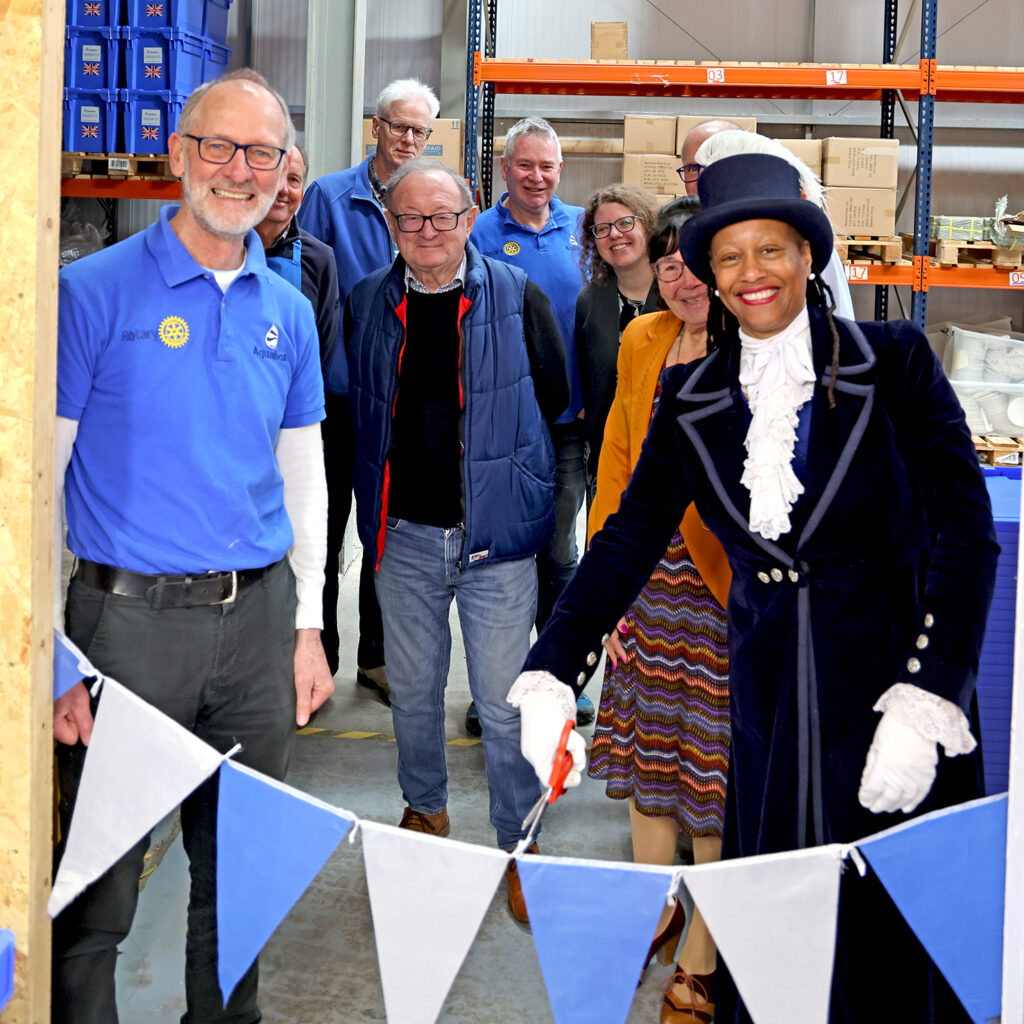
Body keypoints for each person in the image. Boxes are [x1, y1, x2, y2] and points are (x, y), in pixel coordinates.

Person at [510, 153, 998, 1024]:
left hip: (890, 689)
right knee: (776, 930)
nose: (751, 274)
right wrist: (553, 671)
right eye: (729, 257)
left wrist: (928, 699)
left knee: (886, 936)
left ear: (808, 257)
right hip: (770, 698)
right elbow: (627, 537)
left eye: (770, 250)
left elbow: (965, 534)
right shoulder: (691, 393)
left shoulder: (895, 362)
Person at [51, 69, 334, 1024]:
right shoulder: (89, 294)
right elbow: (32, 487)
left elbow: (305, 482)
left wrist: (308, 629)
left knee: (240, 877)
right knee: (99, 889)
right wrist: (47, 654)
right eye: (219, 146)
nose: (239, 169)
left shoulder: (287, 311)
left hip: (256, 627)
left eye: (262, 153)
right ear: (178, 156)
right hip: (124, 630)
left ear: (286, 172)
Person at [345, 157, 569, 924]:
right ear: (390, 226)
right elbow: (358, 415)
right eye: (409, 219)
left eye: (441, 216)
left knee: (505, 708)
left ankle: (519, 840)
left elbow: (558, 403)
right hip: (403, 537)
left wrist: (530, 503)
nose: (426, 231)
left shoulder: (518, 296)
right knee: (411, 695)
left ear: (470, 217)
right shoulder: (367, 302)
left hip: (496, 546)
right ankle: (426, 811)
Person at [587, 197, 732, 1023]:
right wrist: (607, 587)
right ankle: (655, 904)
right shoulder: (642, 339)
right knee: (648, 762)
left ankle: (705, 944)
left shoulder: (754, 350)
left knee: (709, 775)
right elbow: (614, 455)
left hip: (719, 591)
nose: (678, 275)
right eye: (666, 260)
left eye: (693, 260)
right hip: (645, 580)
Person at [298, 77, 440, 703]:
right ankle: (317, 654)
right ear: (375, 127)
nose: (408, 139)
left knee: (389, 532)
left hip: (402, 400)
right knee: (324, 532)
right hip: (335, 397)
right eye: (399, 126)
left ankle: (378, 659)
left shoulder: (430, 199)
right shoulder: (328, 197)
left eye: (420, 130)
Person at [470, 114, 595, 728]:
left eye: (547, 166)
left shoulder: (584, 231)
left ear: (560, 170)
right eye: (525, 165)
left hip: (570, 420)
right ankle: (498, 684)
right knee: (500, 555)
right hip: (502, 423)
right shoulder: (480, 233)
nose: (536, 177)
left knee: (561, 550)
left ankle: (558, 676)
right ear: (505, 168)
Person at [680, 122, 855, 319]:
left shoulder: (802, 239)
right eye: (692, 169)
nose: (751, 274)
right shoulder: (694, 240)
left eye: (769, 251)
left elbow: (837, 324)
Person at [575, 183, 661, 502]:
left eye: (626, 223)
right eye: (602, 228)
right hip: (608, 455)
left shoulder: (677, 294)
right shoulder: (590, 301)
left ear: (648, 226)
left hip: (667, 456)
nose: (615, 234)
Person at [256, 142, 340, 380]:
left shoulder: (320, 259)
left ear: (302, 191)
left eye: (293, 180)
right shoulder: (225, 249)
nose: (283, 189)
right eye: (275, 176)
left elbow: (322, 351)